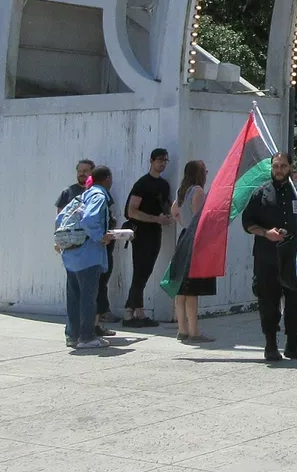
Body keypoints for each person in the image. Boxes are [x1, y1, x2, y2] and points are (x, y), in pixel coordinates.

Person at [242, 153, 297, 363]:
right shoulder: (261, 194)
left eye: (283, 166)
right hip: (267, 256)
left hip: (294, 256)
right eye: (275, 166)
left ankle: (292, 344)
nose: (278, 170)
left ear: (291, 167)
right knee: (268, 300)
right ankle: (270, 345)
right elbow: (248, 224)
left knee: (296, 300)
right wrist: (265, 233)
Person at [57, 165, 116, 350]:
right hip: (88, 255)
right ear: (108, 179)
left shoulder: (82, 195)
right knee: (88, 297)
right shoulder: (99, 196)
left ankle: (72, 336)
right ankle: (87, 337)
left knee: (74, 297)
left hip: (71, 254)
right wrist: (101, 236)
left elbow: (60, 219)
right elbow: (89, 219)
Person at [123, 148, 173, 328]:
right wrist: (155, 219)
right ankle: (129, 313)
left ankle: (137, 312)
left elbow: (165, 206)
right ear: (151, 161)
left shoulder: (164, 185)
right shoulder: (142, 184)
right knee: (140, 271)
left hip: (155, 232)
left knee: (146, 272)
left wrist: (167, 215)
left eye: (165, 160)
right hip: (141, 232)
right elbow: (131, 211)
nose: (163, 163)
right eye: (159, 160)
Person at [168, 160, 214, 343]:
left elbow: (174, 211)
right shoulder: (198, 191)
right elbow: (198, 219)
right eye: (205, 171)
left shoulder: (182, 191)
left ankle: (182, 329)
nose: (207, 173)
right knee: (192, 289)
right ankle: (194, 332)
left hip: (184, 237)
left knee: (181, 288)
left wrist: (183, 224)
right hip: (194, 239)